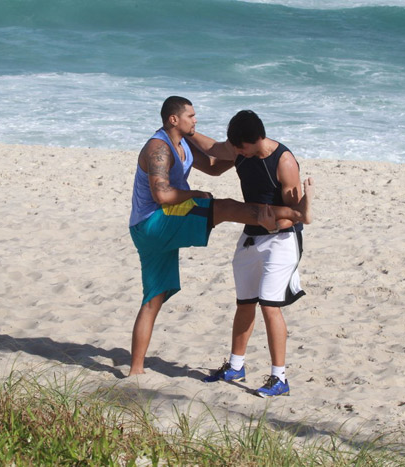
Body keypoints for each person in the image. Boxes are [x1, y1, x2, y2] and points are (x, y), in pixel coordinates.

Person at [128, 97, 313, 376]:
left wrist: (241, 153)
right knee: (224, 208)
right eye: (191, 115)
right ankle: (297, 214)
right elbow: (170, 190)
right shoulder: (160, 147)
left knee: (154, 297)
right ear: (173, 120)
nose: (196, 119)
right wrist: (197, 193)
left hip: (154, 227)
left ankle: (136, 370)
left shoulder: (187, 146)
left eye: (194, 115)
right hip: (157, 222)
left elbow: (214, 164)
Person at [189, 110, 308, 397]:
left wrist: (274, 223)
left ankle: (279, 378)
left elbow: (297, 214)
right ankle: (236, 366)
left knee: (269, 306)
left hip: (281, 240)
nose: (236, 153)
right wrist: (186, 132)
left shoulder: (284, 162)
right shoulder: (239, 148)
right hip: (251, 237)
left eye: (239, 148)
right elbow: (213, 150)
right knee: (245, 303)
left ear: (255, 140)